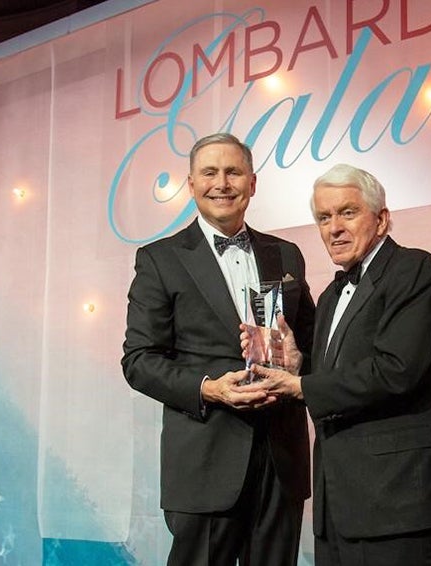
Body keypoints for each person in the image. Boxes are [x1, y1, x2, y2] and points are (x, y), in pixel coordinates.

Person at [243, 163, 431, 566]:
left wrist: (303, 388)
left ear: (382, 220)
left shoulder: (414, 269)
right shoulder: (328, 296)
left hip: (397, 503)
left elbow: (398, 370)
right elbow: (334, 381)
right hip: (337, 505)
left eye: (347, 212)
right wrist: (298, 367)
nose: (334, 228)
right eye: (324, 218)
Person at [121, 133, 315, 566]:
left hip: (281, 461)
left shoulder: (287, 254)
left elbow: (311, 347)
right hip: (204, 461)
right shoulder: (160, 258)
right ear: (191, 185)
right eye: (209, 172)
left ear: (252, 183)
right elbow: (139, 360)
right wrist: (210, 389)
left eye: (233, 171)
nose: (222, 183)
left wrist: (297, 359)